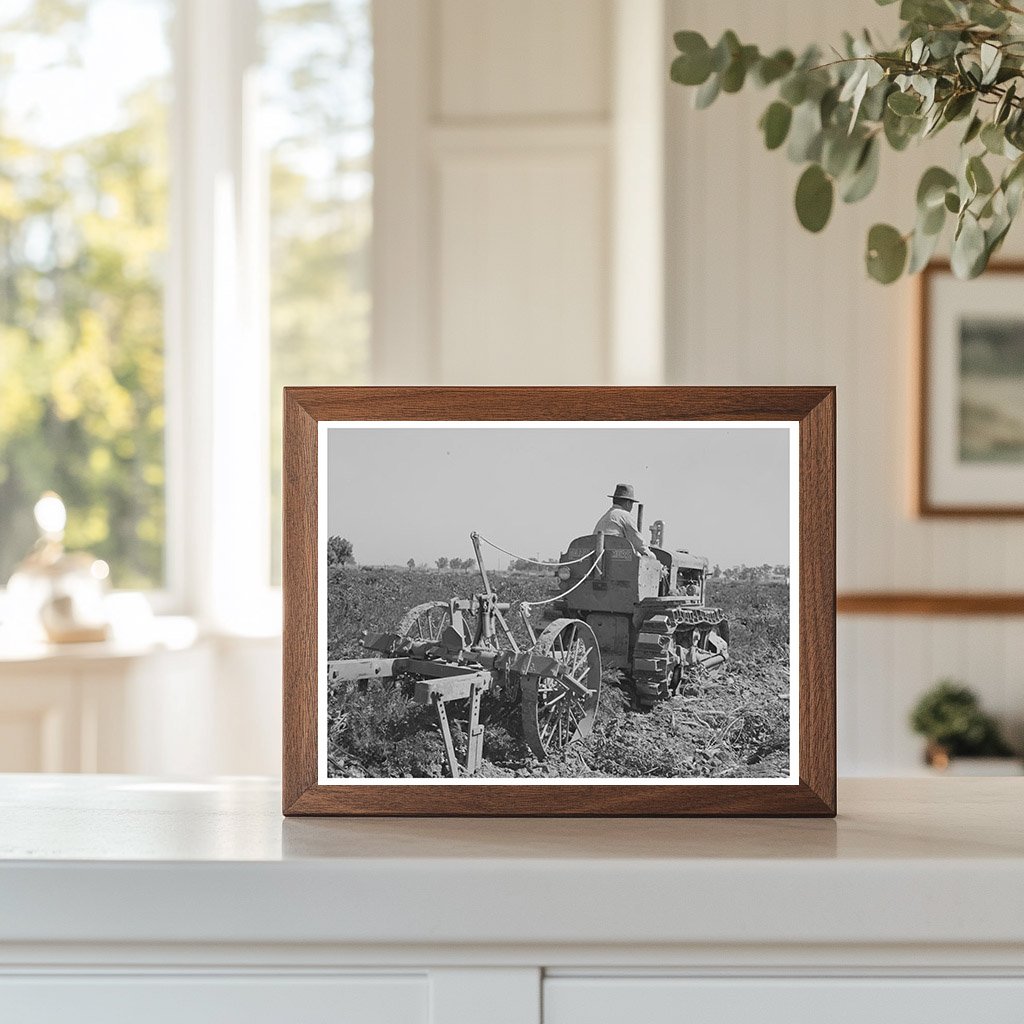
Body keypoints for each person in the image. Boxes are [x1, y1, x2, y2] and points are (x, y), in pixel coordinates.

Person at [593, 483, 656, 558]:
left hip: (598, 557)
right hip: (616, 558)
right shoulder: (625, 516)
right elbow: (638, 543)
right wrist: (652, 557)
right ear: (628, 503)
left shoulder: (606, 517)